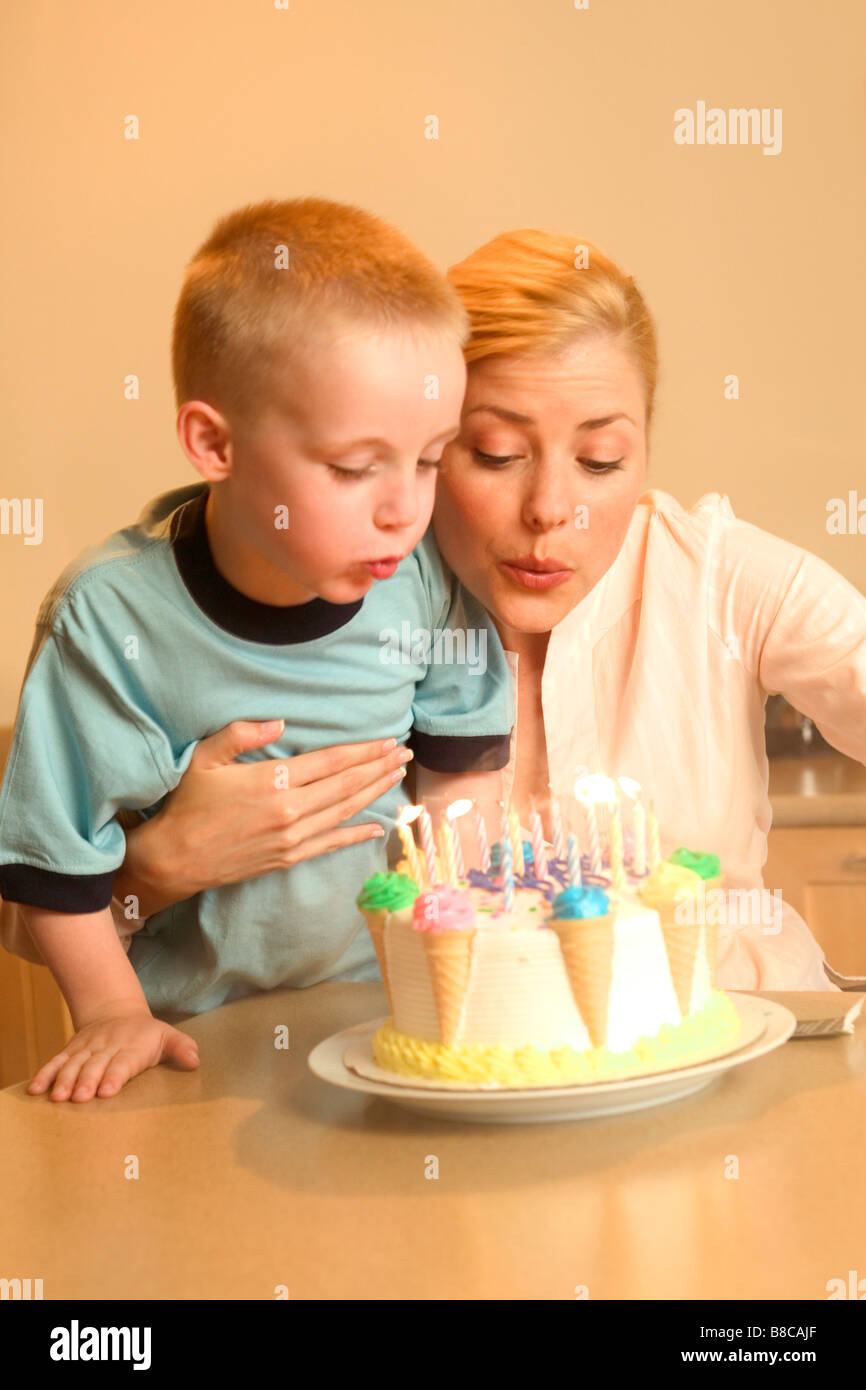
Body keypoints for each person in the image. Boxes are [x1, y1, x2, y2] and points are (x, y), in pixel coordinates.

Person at [112, 227, 866, 995]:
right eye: (498, 453)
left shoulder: (719, 580)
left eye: (601, 461)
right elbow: (38, 910)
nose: (549, 510)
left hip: (733, 1067)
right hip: (419, 1086)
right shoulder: (319, 598)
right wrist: (156, 868)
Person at [0, 198, 514, 1102]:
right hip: (193, 1042)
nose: (405, 507)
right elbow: (55, 856)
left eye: (430, 459)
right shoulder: (110, 618)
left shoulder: (424, 579)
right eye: (356, 468)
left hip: (386, 1024)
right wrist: (112, 1010)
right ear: (214, 444)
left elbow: (461, 770)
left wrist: (459, 922)